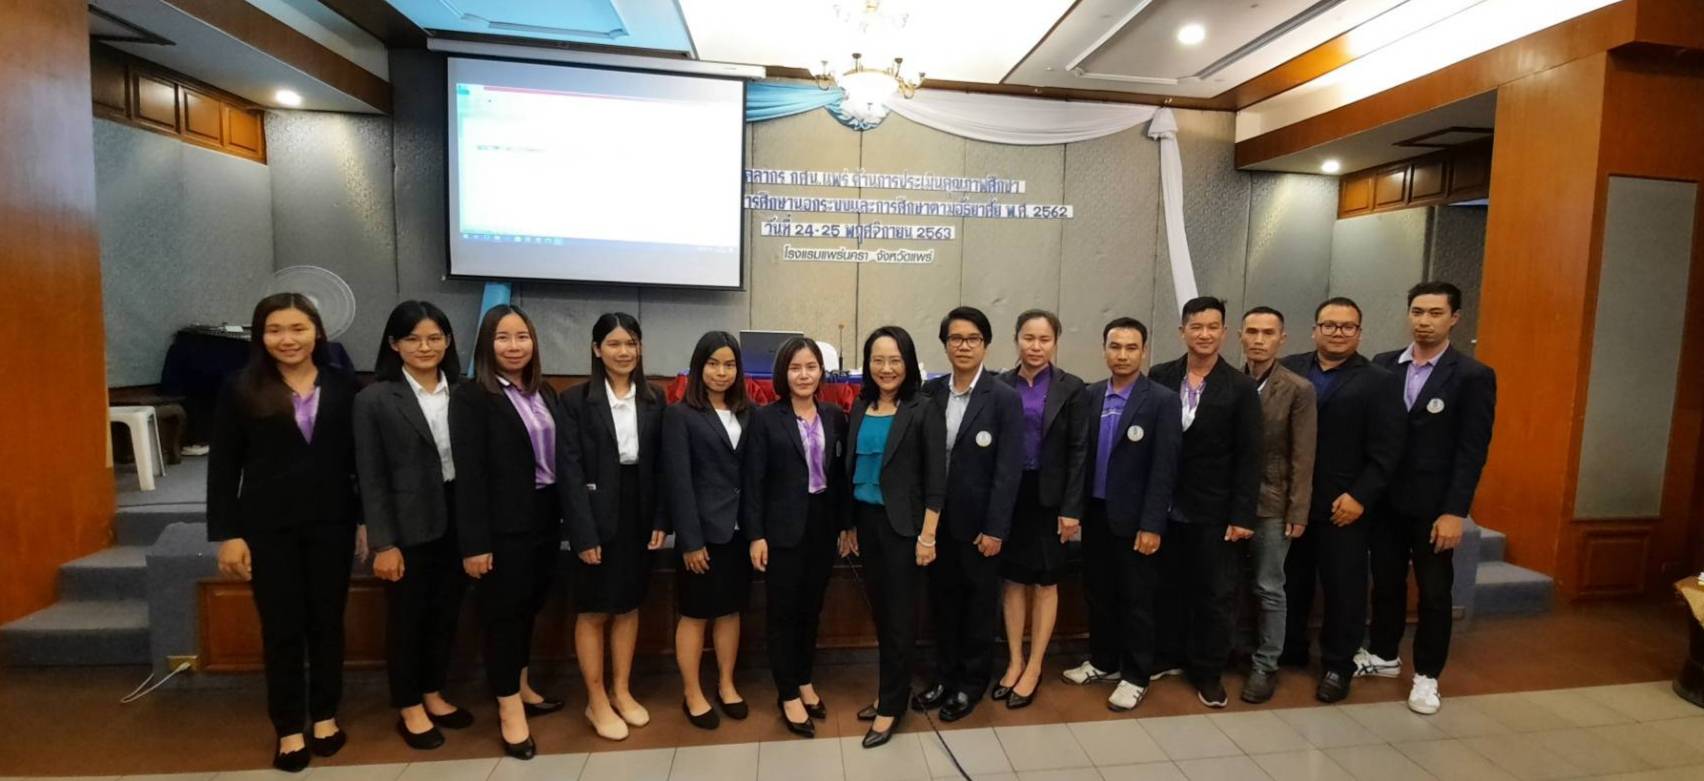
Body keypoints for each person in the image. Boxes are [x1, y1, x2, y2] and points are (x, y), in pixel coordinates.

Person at [208, 293, 362, 773]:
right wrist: (228, 534)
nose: (287, 339)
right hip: (267, 527)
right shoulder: (240, 388)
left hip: (333, 523)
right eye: (275, 329)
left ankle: (326, 715)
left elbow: (359, 463)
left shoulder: (345, 385)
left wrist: (363, 521)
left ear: (317, 331)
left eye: (298, 328)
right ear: (261, 335)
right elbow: (223, 467)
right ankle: (289, 727)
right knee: (281, 628)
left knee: (327, 622)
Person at [1364, 281, 1496, 715]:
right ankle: (1384, 653)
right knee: (1385, 582)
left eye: (1435, 313)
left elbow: (1472, 451)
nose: (1424, 321)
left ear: (1454, 318)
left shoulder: (1472, 376)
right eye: (1418, 312)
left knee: (1435, 592)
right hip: (1385, 501)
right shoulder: (1384, 365)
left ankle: (1427, 675)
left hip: (1435, 506)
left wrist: (1455, 511)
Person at [353, 301, 474, 750]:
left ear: (448, 341)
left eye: (434, 338)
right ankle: (408, 704)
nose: (425, 347)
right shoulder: (374, 399)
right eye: (413, 338)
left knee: (445, 612)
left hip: (458, 517)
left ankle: (433, 692)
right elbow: (369, 475)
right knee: (408, 619)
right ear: (394, 344)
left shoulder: (465, 391)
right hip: (406, 525)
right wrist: (383, 542)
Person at [450, 304, 563, 760]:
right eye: (503, 338)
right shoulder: (472, 397)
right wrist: (475, 543)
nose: (514, 346)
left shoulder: (543, 392)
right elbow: (470, 475)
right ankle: (509, 709)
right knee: (503, 617)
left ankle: (521, 684)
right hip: (501, 528)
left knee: (528, 607)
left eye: (522, 337)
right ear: (486, 344)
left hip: (544, 518)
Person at [1279, 297, 1405, 703]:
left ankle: (1337, 665)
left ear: (1359, 333)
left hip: (1344, 507)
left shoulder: (1380, 381)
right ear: (1315, 330)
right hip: (1292, 502)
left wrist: (1360, 496)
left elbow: (1388, 450)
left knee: (1344, 589)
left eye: (1347, 326)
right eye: (1329, 325)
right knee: (1291, 582)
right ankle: (1289, 650)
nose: (1337, 332)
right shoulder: (1289, 369)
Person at [1061, 317, 1181, 712]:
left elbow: (1165, 468)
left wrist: (1152, 523)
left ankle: (1136, 675)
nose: (1123, 355)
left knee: (1137, 600)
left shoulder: (1161, 400)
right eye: (1115, 346)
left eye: (1131, 347)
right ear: (1104, 350)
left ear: (1144, 352)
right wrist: (1073, 510)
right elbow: (1079, 457)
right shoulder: (1090, 395)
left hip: (1137, 520)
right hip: (1097, 514)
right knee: (1099, 593)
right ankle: (1103, 661)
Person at [1148, 296, 1263, 709]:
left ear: (1224, 333)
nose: (1204, 334)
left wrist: (1242, 514)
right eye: (1196, 326)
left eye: (1213, 327)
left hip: (1216, 509)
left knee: (1215, 594)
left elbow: (1250, 455)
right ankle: (1167, 655)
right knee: (1168, 586)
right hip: (1165, 506)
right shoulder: (1160, 376)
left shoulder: (1241, 387)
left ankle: (1208, 671)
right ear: (1183, 331)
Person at [559, 312, 668, 741]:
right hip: (594, 512)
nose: (624, 352)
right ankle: (596, 699)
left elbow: (662, 466)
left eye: (631, 343)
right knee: (593, 609)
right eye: (614, 344)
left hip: (638, 511)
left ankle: (621, 690)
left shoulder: (655, 398)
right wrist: (582, 532)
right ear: (596, 349)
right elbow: (569, 471)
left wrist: (660, 518)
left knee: (628, 605)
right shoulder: (575, 400)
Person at [913, 307, 1025, 722]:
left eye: (972, 338)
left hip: (980, 528)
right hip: (935, 524)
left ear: (986, 345)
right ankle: (944, 677)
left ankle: (970, 684)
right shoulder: (930, 393)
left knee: (978, 609)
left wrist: (996, 528)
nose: (963, 346)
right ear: (945, 345)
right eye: (955, 338)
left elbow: (1008, 470)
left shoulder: (1004, 398)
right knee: (942, 605)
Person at [744, 337, 852, 737]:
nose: (804, 375)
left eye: (811, 367)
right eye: (795, 368)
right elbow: (753, 481)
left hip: (822, 526)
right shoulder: (765, 418)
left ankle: (805, 679)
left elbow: (841, 477)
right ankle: (787, 692)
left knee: (811, 609)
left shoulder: (834, 415)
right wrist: (756, 535)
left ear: (821, 371)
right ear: (783, 373)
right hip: (781, 530)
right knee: (783, 612)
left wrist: (846, 525)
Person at [846, 325, 946, 749]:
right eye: (878, 360)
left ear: (908, 363)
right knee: (883, 616)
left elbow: (936, 481)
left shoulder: (923, 409)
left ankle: (891, 707)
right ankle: (892, 692)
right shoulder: (860, 406)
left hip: (905, 530)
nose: (886, 368)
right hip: (867, 524)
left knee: (901, 620)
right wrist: (849, 525)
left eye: (895, 360)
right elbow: (851, 469)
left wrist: (928, 536)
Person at [994, 310, 1088, 710]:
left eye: (1044, 339)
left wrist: (1072, 508)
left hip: (1051, 499)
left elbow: (1079, 450)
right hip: (1010, 495)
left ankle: (1035, 666)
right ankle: (1014, 660)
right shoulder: (1000, 385)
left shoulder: (1072, 388)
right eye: (1028, 338)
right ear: (1016, 339)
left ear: (1055, 343)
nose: (1035, 347)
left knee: (1045, 582)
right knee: (1013, 579)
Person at [662, 331, 753, 731]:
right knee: (695, 614)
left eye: (729, 364)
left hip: (739, 532)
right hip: (701, 534)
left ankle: (727, 684)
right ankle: (692, 692)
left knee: (730, 612)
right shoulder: (680, 415)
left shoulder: (747, 413)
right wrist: (690, 540)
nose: (721, 372)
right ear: (699, 367)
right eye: (713, 364)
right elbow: (678, 482)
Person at [1235, 306, 1316, 704]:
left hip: (1273, 501)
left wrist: (1298, 510)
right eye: (1252, 331)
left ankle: (1266, 664)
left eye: (1268, 333)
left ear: (1282, 339)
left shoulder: (1297, 389)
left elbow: (1303, 455)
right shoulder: (1231, 381)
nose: (1258, 340)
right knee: (1229, 582)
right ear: (1240, 336)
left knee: (1269, 586)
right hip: (1230, 502)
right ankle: (1233, 648)